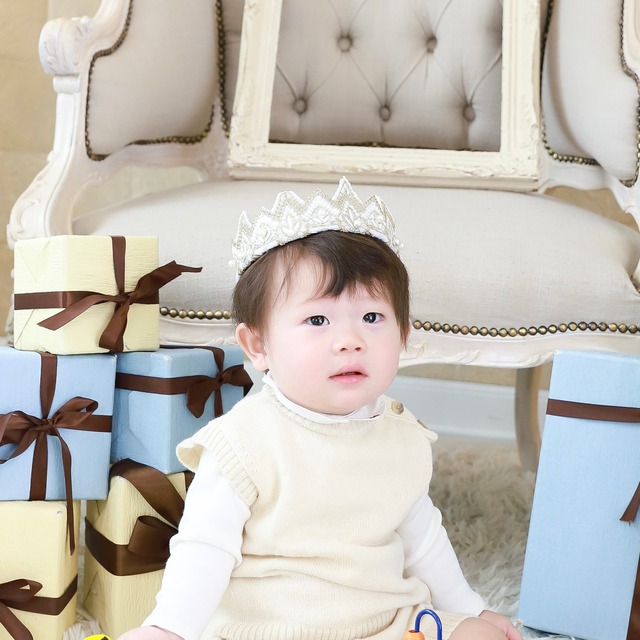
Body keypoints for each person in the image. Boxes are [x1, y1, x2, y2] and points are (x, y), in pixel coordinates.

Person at [117, 178, 522, 640]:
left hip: (388, 621)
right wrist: (170, 628)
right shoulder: (243, 442)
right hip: (276, 628)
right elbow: (204, 546)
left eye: (372, 317)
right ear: (258, 345)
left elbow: (423, 539)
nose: (349, 340)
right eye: (317, 319)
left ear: (403, 335)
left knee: (480, 635)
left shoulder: (401, 435)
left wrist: (471, 608)